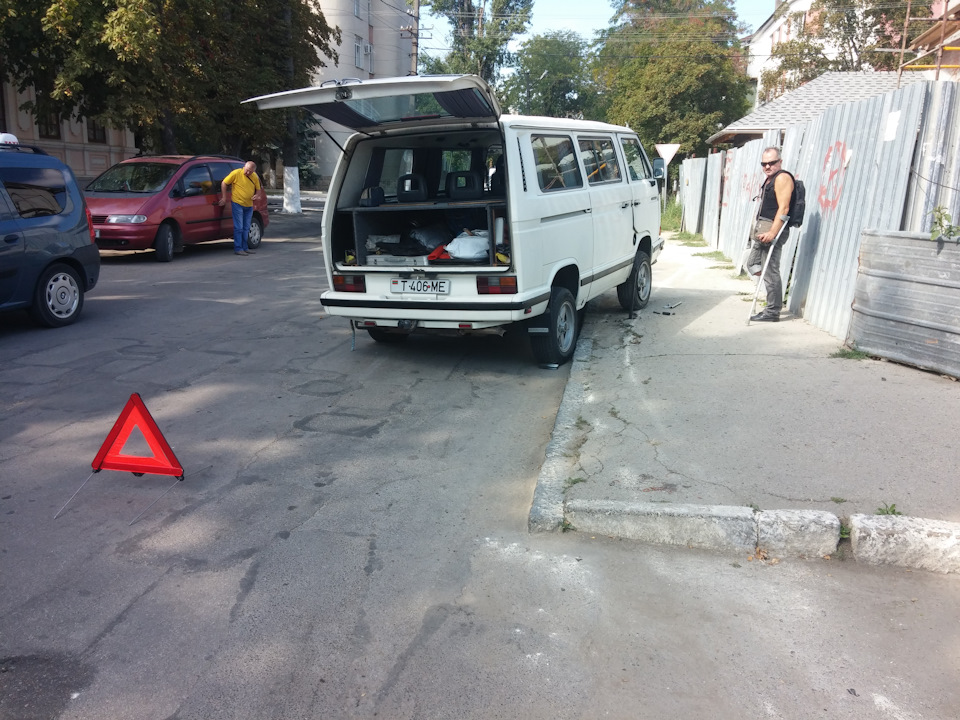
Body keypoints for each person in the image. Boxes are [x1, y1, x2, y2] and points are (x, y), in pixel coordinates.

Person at [747, 147, 795, 322]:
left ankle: (772, 311)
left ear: (780, 162)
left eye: (772, 163)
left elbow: (784, 207)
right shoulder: (770, 179)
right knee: (753, 264)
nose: (767, 166)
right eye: (764, 164)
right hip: (763, 228)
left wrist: (773, 233)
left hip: (773, 230)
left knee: (770, 270)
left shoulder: (782, 178)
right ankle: (772, 295)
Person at [218, 161, 263, 256]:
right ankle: (238, 248)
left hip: (249, 205)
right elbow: (224, 183)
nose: (248, 173)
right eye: (247, 170)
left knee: (246, 227)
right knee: (239, 227)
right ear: (244, 167)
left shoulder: (254, 176)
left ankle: (245, 247)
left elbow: (258, 189)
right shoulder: (236, 173)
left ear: (253, 171)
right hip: (237, 203)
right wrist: (224, 197)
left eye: (250, 171)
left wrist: (257, 195)